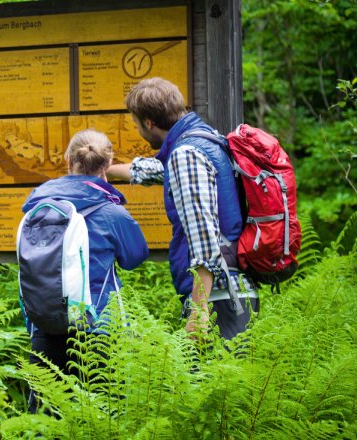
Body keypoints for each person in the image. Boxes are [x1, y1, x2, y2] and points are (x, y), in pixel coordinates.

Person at [106, 77, 258, 341]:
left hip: (219, 297)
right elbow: (159, 171)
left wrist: (199, 311)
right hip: (232, 289)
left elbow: (203, 236)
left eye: (136, 125)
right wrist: (104, 170)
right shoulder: (204, 139)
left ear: (149, 123)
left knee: (209, 379)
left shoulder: (185, 154)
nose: (138, 131)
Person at [22, 129, 149, 412]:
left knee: (45, 421)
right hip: (99, 329)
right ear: (107, 165)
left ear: (67, 159)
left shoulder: (37, 209)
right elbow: (134, 257)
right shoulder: (112, 214)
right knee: (103, 417)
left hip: (45, 325)